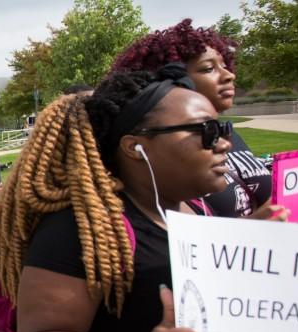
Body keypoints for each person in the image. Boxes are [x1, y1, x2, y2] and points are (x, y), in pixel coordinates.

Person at [0, 65, 263, 332]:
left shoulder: (190, 209)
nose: (224, 144)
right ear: (136, 147)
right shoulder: (82, 229)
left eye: (224, 130)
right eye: (206, 132)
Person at [111, 18, 285, 221]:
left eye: (224, 65)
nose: (229, 75)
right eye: (208, 69)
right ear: (166, 80)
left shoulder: (226, 135)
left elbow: (262, 197)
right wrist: (248, 233)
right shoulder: (164, 157)